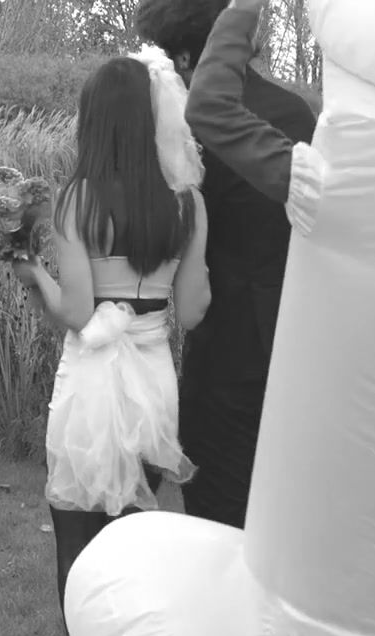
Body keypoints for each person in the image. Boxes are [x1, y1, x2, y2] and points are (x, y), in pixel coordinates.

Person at [12, 52, 210, 636]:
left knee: (78, 540)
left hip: (94, 382)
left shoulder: (79, 199)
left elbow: (75, 311)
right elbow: (193, 310)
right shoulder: (188, 202)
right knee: (138, 541)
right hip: (153, 379)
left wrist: (31, 274)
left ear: (93, 120)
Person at [134, 0, 316, 529]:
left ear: (187, 57)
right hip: (292, 334)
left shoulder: (181, 129)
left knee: (216, 502)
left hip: (220, 337)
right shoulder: (295, 112)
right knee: (286, 504)